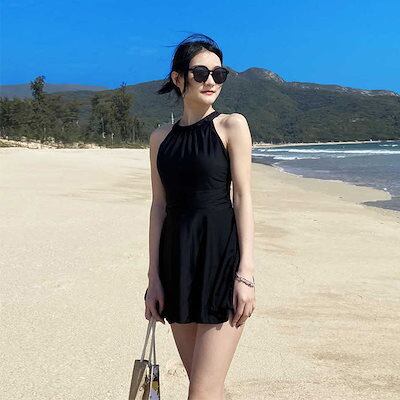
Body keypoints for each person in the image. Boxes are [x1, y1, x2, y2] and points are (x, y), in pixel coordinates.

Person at [145, 33, 255, 400]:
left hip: (220, 260)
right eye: (201, 73)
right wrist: (154, 278)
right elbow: (159, 206)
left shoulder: (231, 126)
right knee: (206, 386)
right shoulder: (160, 138)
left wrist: (246, 274)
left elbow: (243, 197)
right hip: (177, 264)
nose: (211, 81)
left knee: (202, 390)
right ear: (178, 78)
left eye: (219, 74)